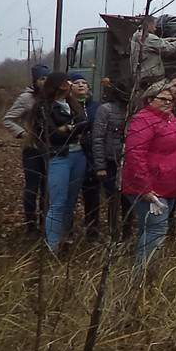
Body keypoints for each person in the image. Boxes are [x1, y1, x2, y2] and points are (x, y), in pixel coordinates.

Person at [122, 80, 176, 269]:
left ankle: (148, 270)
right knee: (157, 228)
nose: (169, 103)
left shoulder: (170, 119)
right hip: (150, 188)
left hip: (169, 185)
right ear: (150, 99)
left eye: (171, 100)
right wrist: (145, 187)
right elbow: (135, 154)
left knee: (150, 228)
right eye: (163, 99)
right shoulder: (142, 120)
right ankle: (141, 276)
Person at [33, 72, 89, 251]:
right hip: (59, 156)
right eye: (65, 85)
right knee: (57, 203)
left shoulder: (73, 104)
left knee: (71, 202)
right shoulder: (43, 107)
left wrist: (67, 129)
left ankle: (65, 238)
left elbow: (83, 125)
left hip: (78, 155)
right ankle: (52, 245)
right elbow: (52, 135)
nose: (68, 88)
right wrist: (67, 130)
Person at [3, 63, 50, 235]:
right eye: (41, 79)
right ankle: (31, 225)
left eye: (47, 78)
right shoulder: (26, 98)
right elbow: (8, 119)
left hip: (50, 149)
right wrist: (23, 133)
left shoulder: (53, 97)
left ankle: (45, 223)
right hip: (32, 149)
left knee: (47, 188)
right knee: (32, 187)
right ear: (35, 81)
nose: (44, 82)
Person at [92, 79, 134, 240]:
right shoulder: (105, 110)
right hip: (111, 163)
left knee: (128, 202)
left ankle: (127, 236)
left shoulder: (134, 110)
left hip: (129, 164)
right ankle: (114, 236)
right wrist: (100, 166)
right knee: (113, 202)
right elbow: (98, 138)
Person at [69, 73, 102, 242]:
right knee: (69, 198)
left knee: (92, 199)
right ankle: (67, 234)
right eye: (76, 82)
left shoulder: (96, 107)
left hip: (92, 157)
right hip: (71, 155)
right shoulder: (64, 106)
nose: (81, 85)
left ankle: (93, 234)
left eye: (84, 83)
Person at [129, 15, 176, 85]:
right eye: (154, 26)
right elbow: (168, 48)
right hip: (150, 78)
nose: (155, 29)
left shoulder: (137, 35)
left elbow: (155, 43)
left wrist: (170, 39)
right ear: (148, 25)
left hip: (141, 77)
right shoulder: (148, 38)